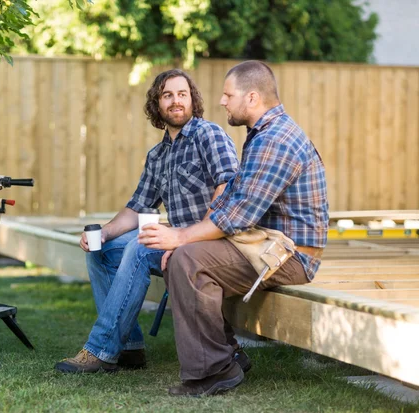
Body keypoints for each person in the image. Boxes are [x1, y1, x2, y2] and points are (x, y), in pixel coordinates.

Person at [138, 60, 329, 396]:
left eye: (228, 95)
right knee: (184, 255)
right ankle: (227, 356)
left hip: (290, 256)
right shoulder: (261, 135)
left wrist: (179, 238)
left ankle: (214, 371)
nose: (222, 101)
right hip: (266, 246)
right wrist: (180, 241)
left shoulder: (275, 140)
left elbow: (237, 216)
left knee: (188, 260)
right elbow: (230, 203)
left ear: (252, 97)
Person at [54, 69, 240, 374]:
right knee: (103, 250)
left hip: (209, 242)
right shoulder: (158, 155)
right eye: (168, 95)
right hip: (174, 241)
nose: (176, 101)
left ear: (193, 100)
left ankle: (101, 349)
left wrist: (185, 238)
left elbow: (228, 189)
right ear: (157, 104)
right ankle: (129, 348)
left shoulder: (209, 134)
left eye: (182, 94)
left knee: (140, 248)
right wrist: (104, 231)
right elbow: (137, 208)